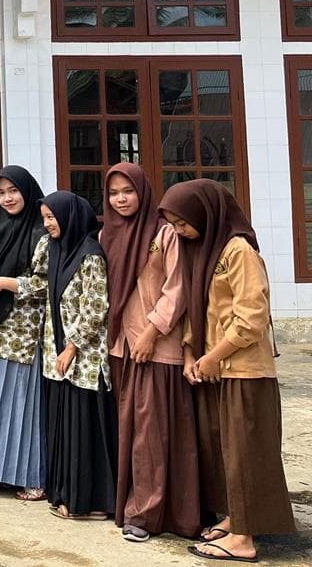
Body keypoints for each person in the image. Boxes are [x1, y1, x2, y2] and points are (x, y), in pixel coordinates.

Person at [159, 180, 296, 563]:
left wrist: (215, 356)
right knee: (223, 451)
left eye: (183, 223)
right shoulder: (204, 250)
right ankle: (237, 519)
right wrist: (191, 355)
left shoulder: (239, 251)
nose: (179, 231)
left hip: (245, 371)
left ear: (205, 213)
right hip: (214, 370)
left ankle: (243, 539)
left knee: (245, 453)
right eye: (173, 225)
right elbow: (197, 309)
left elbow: (251, 318)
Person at [101, 164, 199, 543]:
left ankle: (145, 515)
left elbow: (178, 288)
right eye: (113, 193)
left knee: (151, 434)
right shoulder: (106, 234)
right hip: (120, 347)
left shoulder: (164, 234)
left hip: (155, 348)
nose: (120, 199)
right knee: (128, 432)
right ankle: (131, 505)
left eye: (128, 191)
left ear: (143, 192)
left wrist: (152, 331)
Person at [14, 191, 116, 520]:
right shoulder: (53, 248)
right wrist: (3, 283)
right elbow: (40, 286)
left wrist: (72, 346)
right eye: (44, 218)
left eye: (51, 217)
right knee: (63, 429)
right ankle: (65, 496)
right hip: (55, 354)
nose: (47, 224)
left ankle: (89, 503)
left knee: (83, 430)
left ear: (69, 216)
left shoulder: (90, 255)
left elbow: (96, 307)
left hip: (83, 360)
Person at [0, 166, 49, 501]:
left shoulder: (42, 230)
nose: (8, 198)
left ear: (27, 191)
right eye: (1, 193)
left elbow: (48, 283)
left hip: (25, 331)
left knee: (21, 405)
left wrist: (5, 282)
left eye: (13, 191)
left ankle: (30, 476)